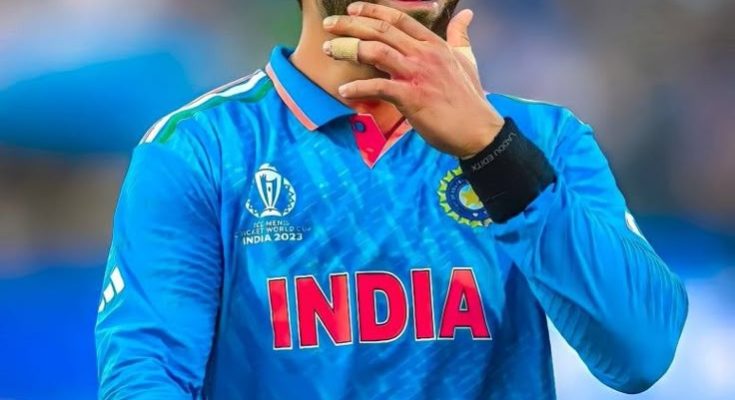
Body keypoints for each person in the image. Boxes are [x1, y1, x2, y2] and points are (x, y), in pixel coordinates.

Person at [95, 1, 688, 398]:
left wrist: (491, 150)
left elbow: (641, 352)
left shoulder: (540, 138)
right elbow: (147, 377)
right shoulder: (199, 149)